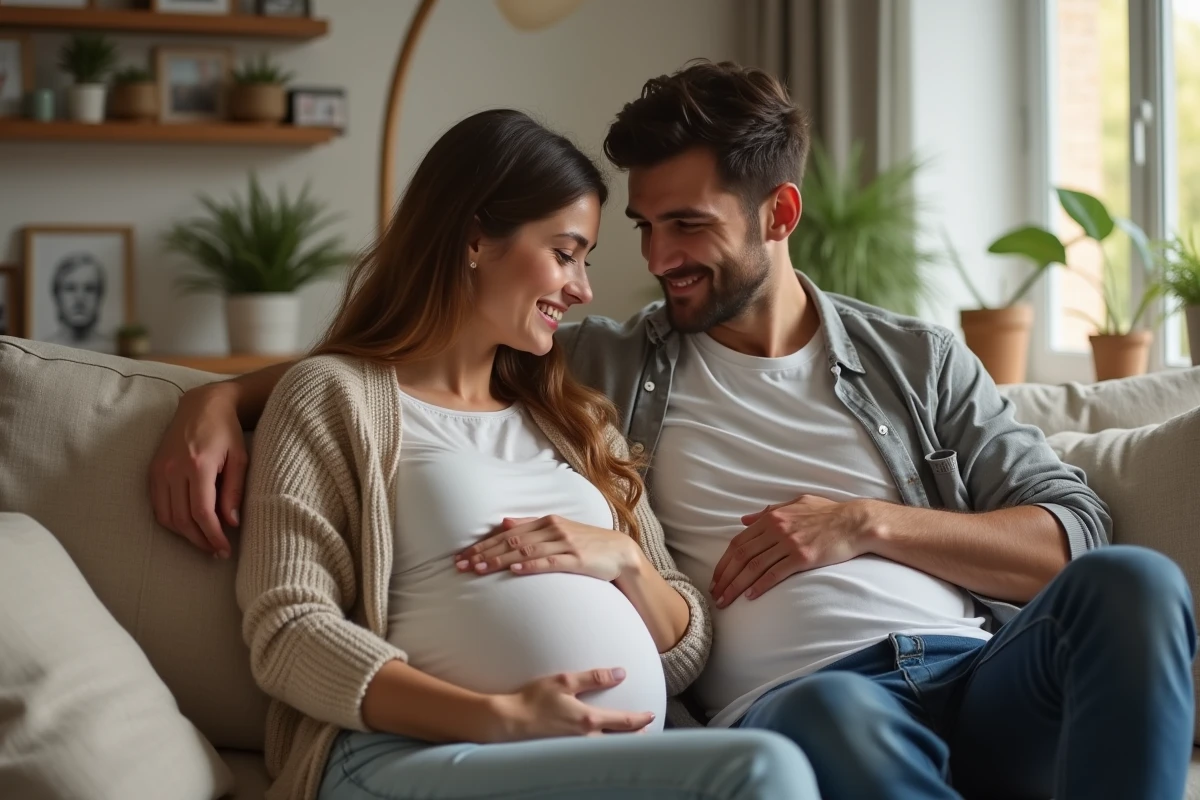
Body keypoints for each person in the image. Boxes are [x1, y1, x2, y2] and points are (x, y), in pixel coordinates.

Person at [151, 63, 1197, 800]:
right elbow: (423, 352)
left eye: (687, 225)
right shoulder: (602, 368)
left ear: (778, 214)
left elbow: (1076, 536)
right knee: (833, 716)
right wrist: (222, 395)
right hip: (809, 706)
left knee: (1141, 581)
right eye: (643, 227)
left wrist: (868, 523)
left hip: (980, 666)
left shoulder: (916, 359)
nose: (656, 258)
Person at [198, 108, 816, 800]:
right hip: (406, 757)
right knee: (766, 770)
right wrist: (497, 718)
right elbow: (289, 631)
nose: (582, 288)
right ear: (473, 239)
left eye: (585, 260)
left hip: (597, 768)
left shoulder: (575, 419)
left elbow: (684, 648)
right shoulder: (334, 397)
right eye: (564, 253)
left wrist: (628, 563)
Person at [45, 253, 113, 352]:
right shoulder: (45, 349)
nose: (79, 299)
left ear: (100, 295)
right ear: (57, 295)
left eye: (89, 289)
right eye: (70, 288)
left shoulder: (114, 349)